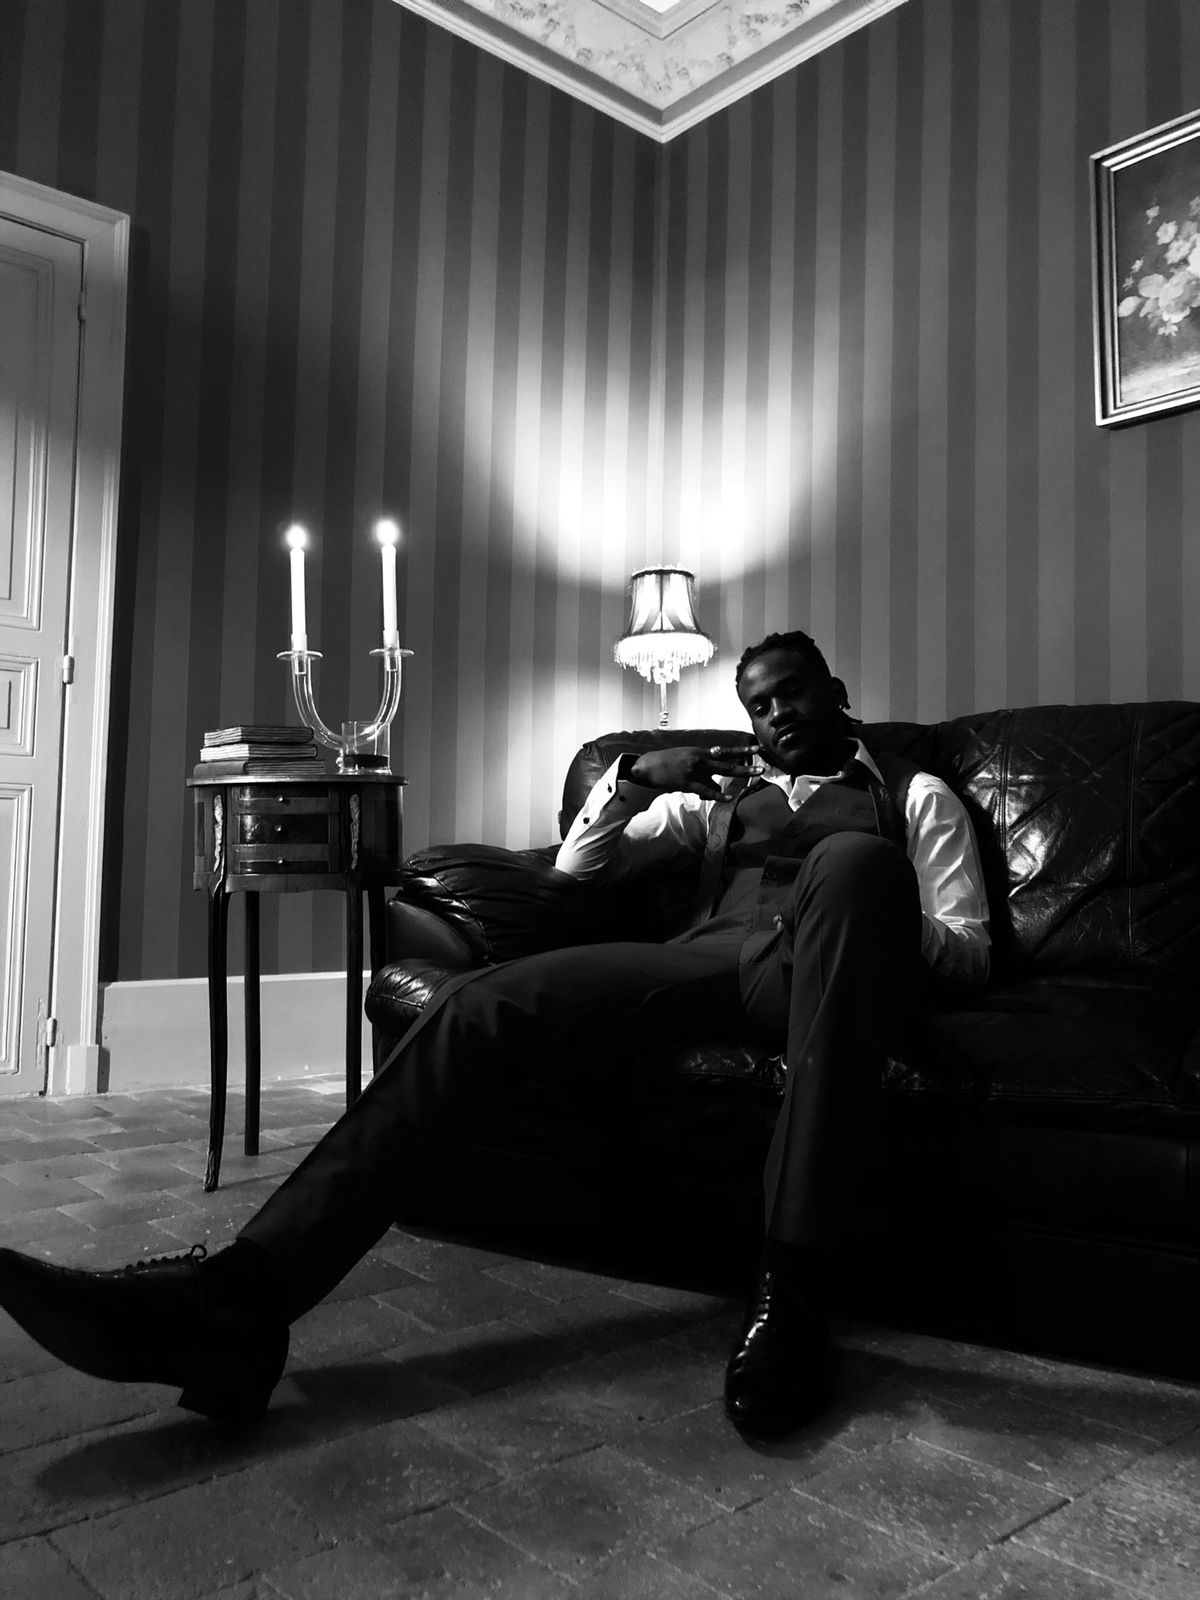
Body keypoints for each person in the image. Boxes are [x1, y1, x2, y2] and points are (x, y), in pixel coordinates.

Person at [0, 631, 988, 1438]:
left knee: (855, 863)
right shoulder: (719, 803)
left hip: (833, 971)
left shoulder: (914, 796)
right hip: (714, 965)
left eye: (792, 694)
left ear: (836, 693)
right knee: (480, 1002)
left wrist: (865, 914)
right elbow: (577, 871)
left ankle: (797, 1288)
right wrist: (637, 776)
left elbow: (969, 952)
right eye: (759, 706)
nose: (776, 717)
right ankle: (238, 1301)